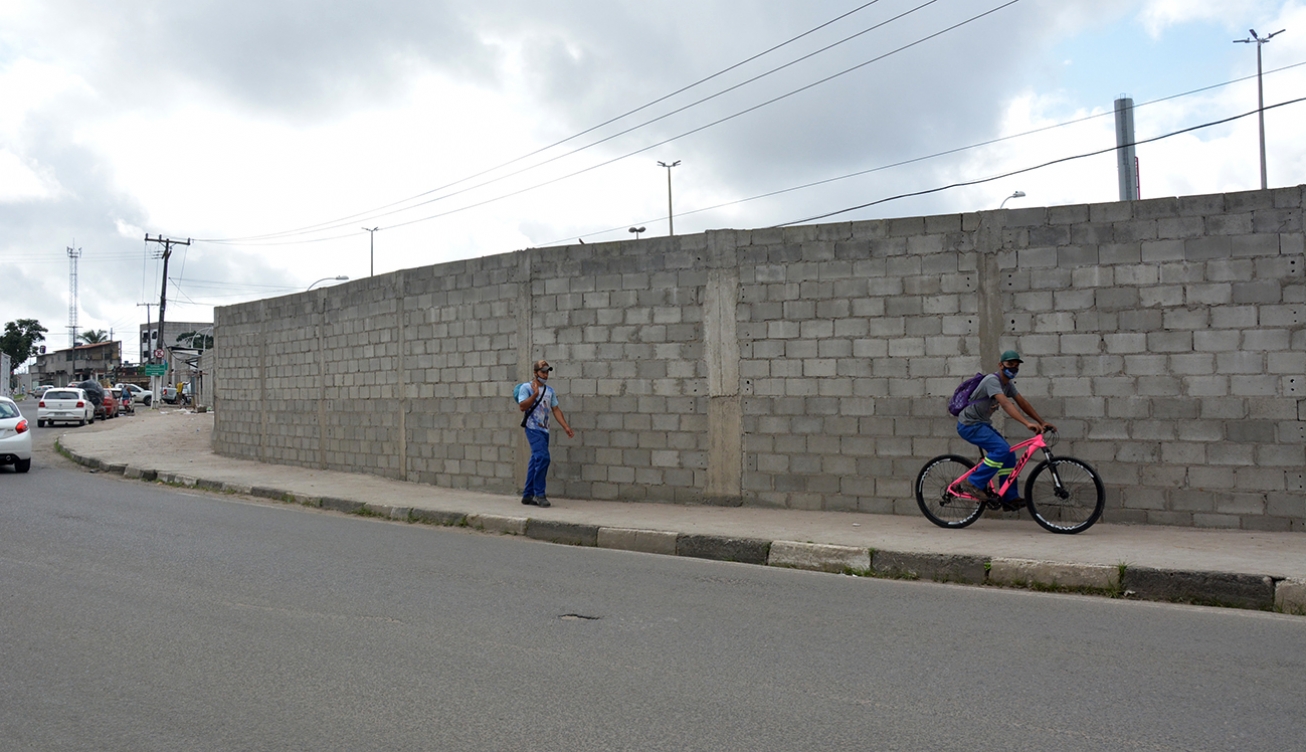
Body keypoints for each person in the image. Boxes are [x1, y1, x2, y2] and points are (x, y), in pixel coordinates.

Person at [956, 350, 1055, 509]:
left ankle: (1009, 498)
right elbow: (1006, 404)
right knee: (1001, 450)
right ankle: (973, 483)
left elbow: (1022, 402)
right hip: (969, 425)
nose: (1013, 369)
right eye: (1009, 365)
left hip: (981, 424)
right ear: (1000, 365)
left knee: (1008, 454)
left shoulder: (1007, 385)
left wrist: (1041, 422)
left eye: (1016, 366)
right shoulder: (992, 381)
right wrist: (1026, 423)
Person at [515, 360, 574, 508]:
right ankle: (539, 494)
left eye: (547, 372)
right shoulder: (526, 388)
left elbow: (555, 409)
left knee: (535, 460)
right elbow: (522, 406)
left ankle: (527, 495)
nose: (545, 375)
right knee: (543, 458)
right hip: (532, 428)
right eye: (543, 372)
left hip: (544, 430)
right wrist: (535, 394)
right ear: (535, 373)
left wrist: (565, 426)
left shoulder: (550, 391)